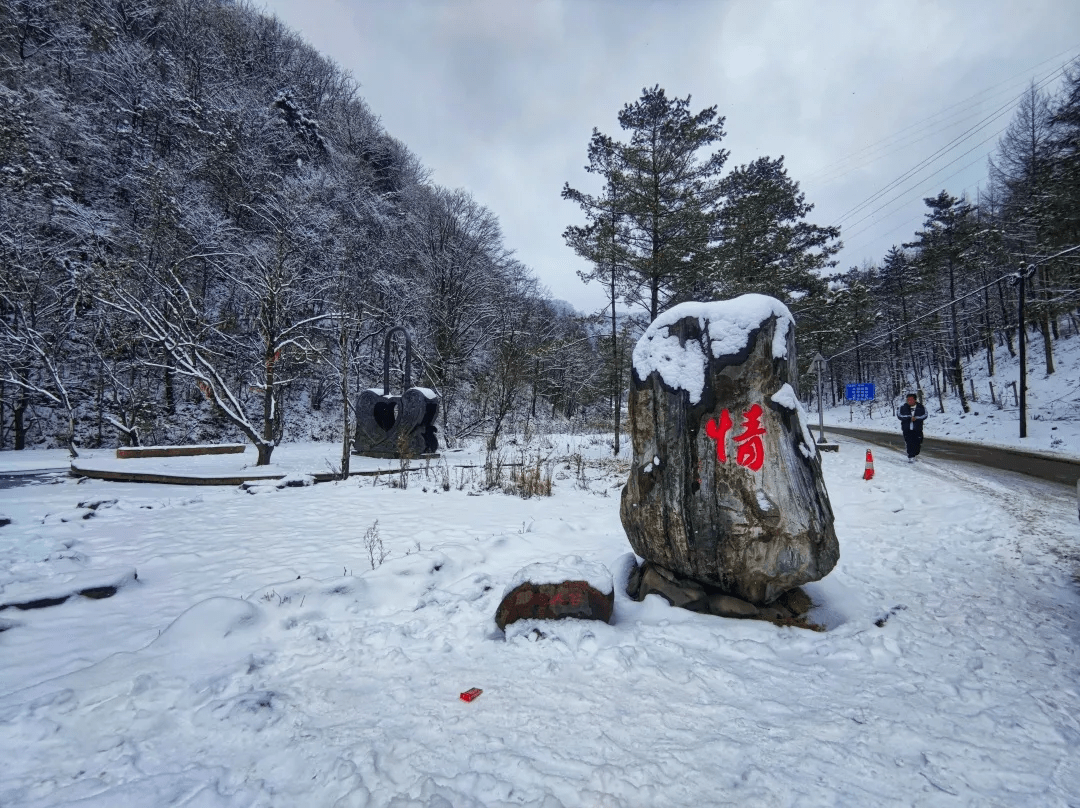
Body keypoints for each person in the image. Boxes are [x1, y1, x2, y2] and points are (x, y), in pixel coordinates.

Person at [897, 393, 927, 462]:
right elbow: (899, 416)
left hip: (917, 428)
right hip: (907, 428)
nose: (909, 401)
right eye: (908, 400)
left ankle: (915, 453)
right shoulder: (903, 407)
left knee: (918, 442)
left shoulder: (921, 407)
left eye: (911, 399)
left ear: (915, 400)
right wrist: (908, 418)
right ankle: (911, 456)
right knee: (909, 442)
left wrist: (917, 418)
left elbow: (925, 415)